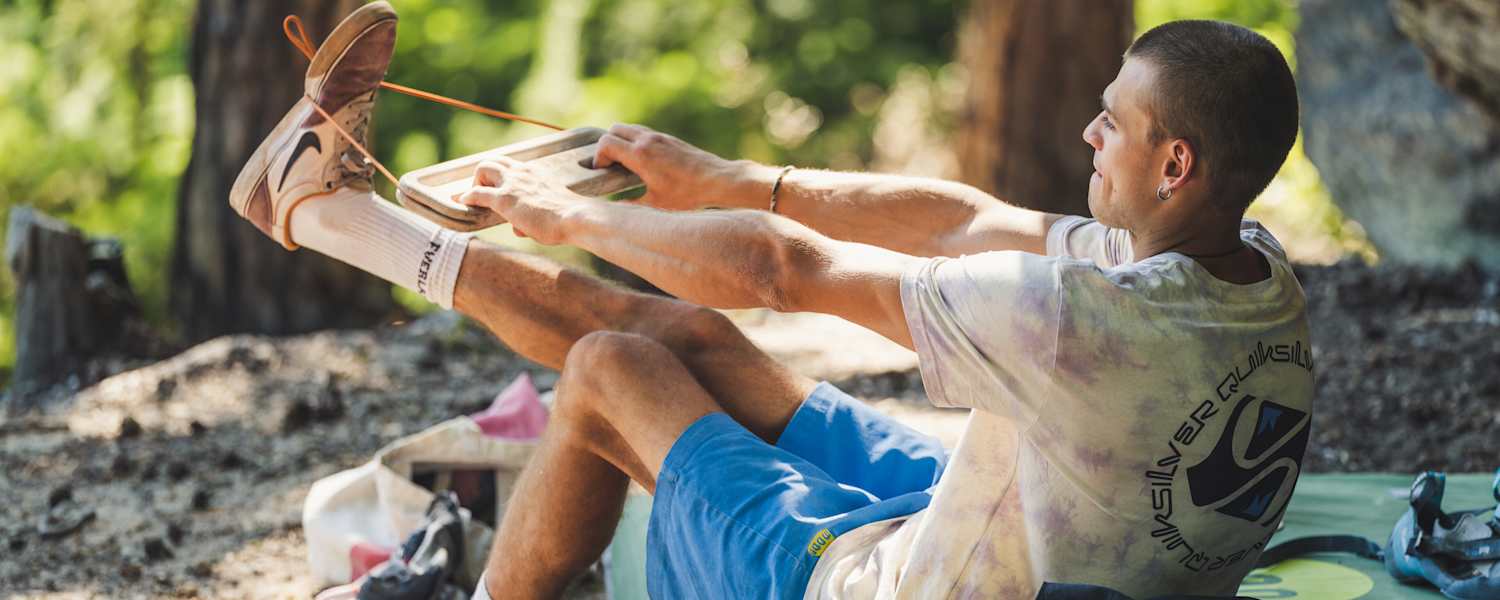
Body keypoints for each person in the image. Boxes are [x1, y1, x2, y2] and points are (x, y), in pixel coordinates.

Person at [231, 2, 1312, 598]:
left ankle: (330, 218)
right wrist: (733, 179)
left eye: (1113, 122)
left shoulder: (1081, 322)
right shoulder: (1252, 274)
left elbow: (784, 274)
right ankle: (317, 208)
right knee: (696, 339)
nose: (1088, 133)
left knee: (611, 371)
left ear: (1174, 164)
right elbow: (964, 222)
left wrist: (565, 216)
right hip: (1029, 539)